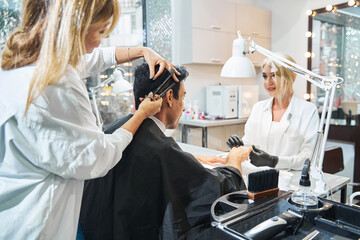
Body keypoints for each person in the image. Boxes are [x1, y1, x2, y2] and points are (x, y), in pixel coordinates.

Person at [0, 0, 179, 239]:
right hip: (37, 224)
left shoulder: (20, 62)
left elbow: (93, 59)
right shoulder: (56, 83)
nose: (100, 41)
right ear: (76, 28)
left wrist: (141, 51)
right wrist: (141, 115)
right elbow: (98, 156)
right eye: (101, 31)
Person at [79, 63, 252, 240]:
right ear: (170, 97)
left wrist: (189, 159)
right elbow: (218, 188)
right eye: (182, 97)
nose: (184, 107)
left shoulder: (113, 131)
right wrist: (234, 159)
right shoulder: (161, 149)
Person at [227, 53, 319, 170]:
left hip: (289, 181)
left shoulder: (308, 111)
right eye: (265, 76)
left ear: (292, 76)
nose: (268, 82)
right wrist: (237, 146)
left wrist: (274, 161)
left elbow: (308, 158)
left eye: (274, 76)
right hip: (257, 177)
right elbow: (248, 145)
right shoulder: (258, 108)